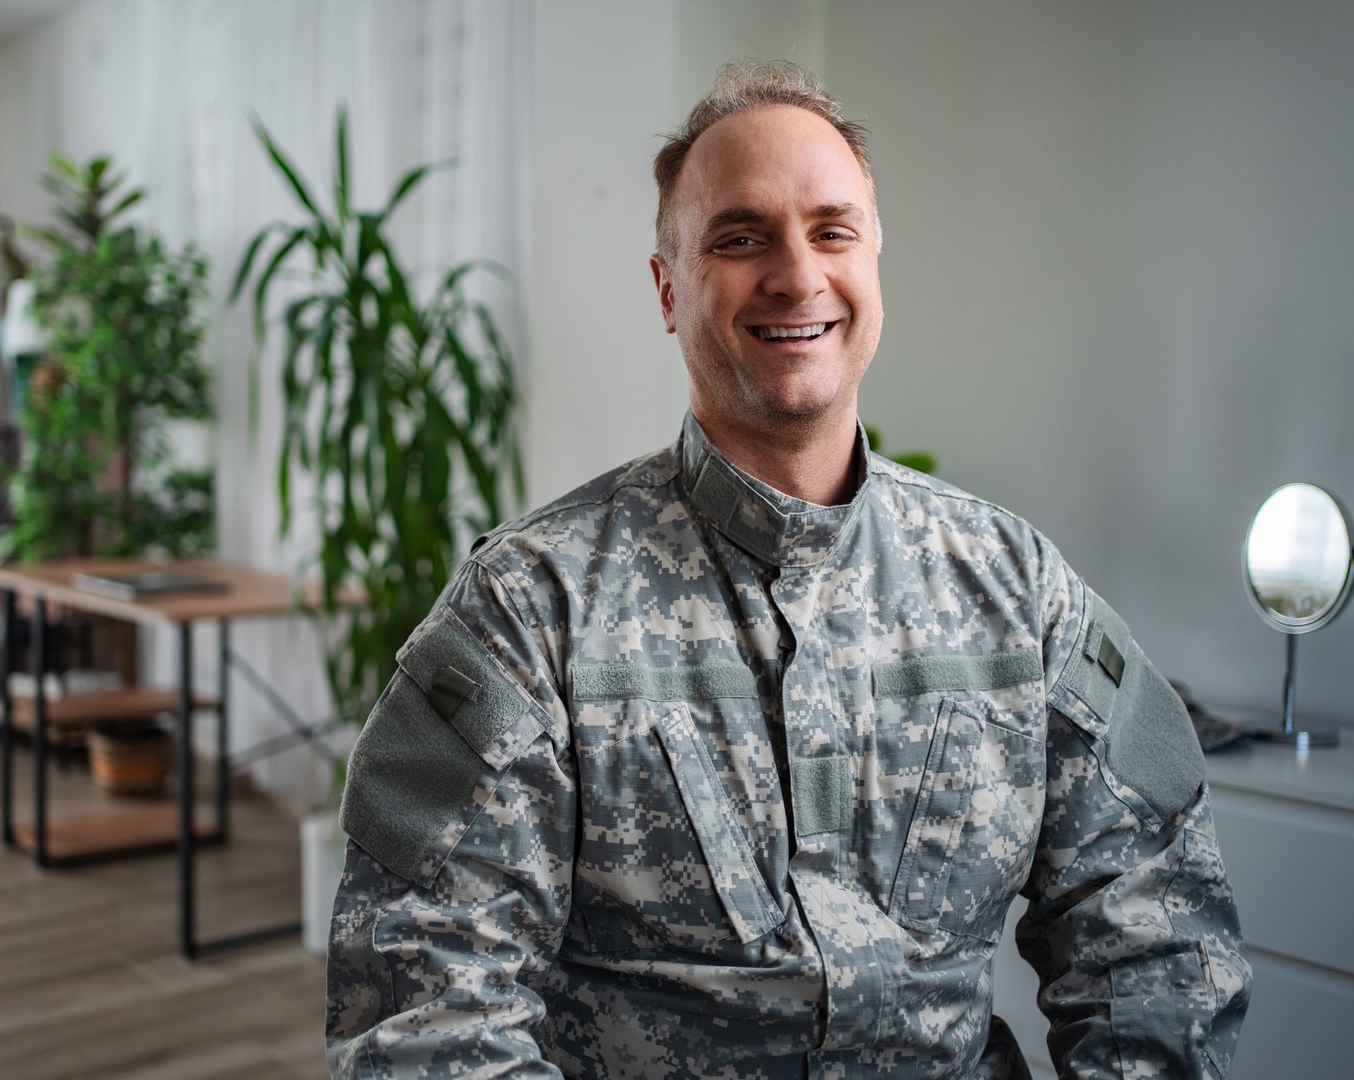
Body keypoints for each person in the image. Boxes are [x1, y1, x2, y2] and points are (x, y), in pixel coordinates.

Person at [326, 61, 1250, 1078]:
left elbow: (1157, 942)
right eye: (739, 237)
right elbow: (424, 1004)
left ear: (874, 267)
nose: (798, 274)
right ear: (668, 287)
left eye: (832, 230)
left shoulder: (1017, 591)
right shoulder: (532, 608)